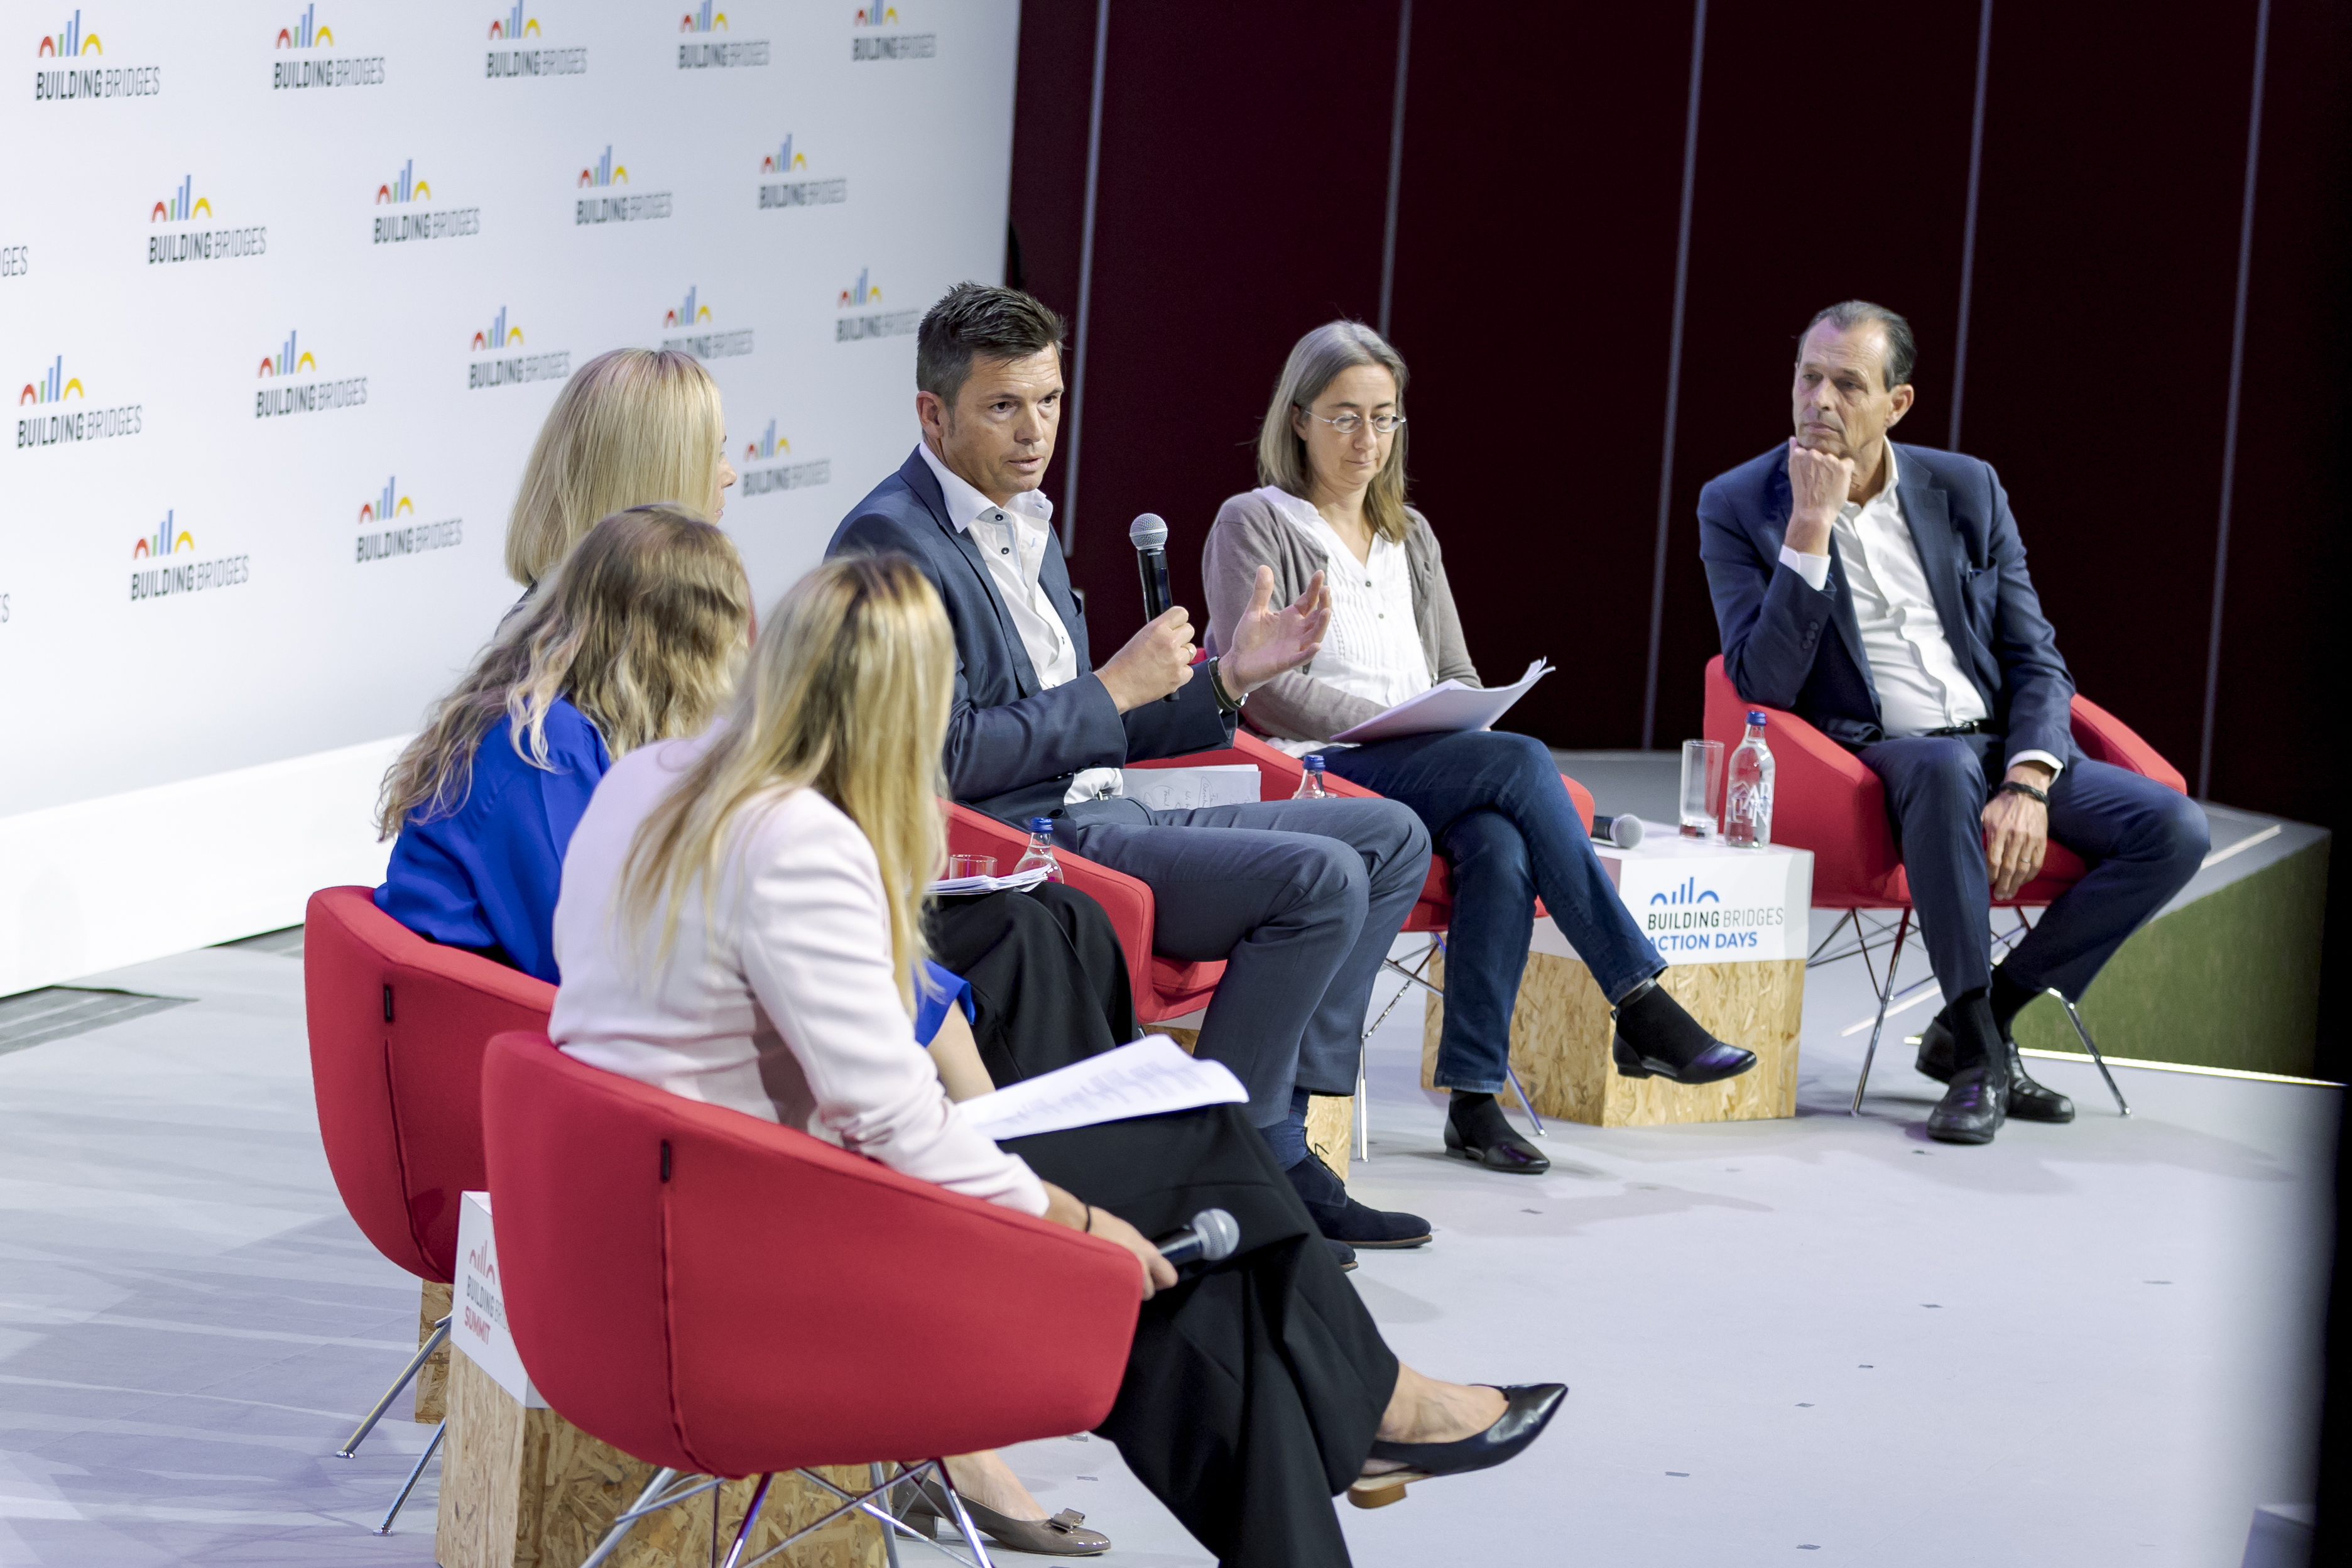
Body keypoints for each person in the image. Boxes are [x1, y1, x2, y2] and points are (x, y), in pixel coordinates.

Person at [547, 553, 1566, 1568]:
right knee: (1187, 1210)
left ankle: (1365, 1421)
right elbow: (892, 1126)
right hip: (761, 1235)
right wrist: (1081, 1226)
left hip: (663, 1204)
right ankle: (1376, 1408)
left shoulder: (662, 775)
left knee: (1190, 1220)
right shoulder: (801, 843)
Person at [378, 503, 1139, 1554]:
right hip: (550, 1123)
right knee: (966, 980)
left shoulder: (607, 747)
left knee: (1030, 932)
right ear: (684, 639)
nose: (748, 656)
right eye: (735, 629)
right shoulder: (559, 750)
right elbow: (595, 964)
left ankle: (1027, 1173)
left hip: (578, 1108)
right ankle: (1020, 1274)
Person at [829, 284, 1438, 1260]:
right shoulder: (889, 542)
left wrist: (1232, 676)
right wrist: (1109, 691)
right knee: (1321, 878)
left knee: (1392, 834)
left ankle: (1283, 1124)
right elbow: (936, 760)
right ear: (932, 415)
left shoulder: (1022, 518)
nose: (1036, 433)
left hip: (1114, 807)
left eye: (1051, 402)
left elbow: (1098, 723)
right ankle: (1232, 1165)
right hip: (1028, 846)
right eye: (1004, 407)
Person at [1202, 323, 1758, 1175]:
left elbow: (1456, 669)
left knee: (1499, 844)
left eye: (1385, 419)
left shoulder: (1410, 536)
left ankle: (1473, 1100)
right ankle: (1639, 1001)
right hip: (1317, 768)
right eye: (1346, 417)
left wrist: (1454, 713)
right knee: (1525, 764)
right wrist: (1390, 720)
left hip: (1417, 761)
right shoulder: (1255, 521)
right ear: (1301, 418)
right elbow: (1262, 685)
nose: (1368, 440)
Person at [1699, 300, 2208, 1144]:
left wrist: (2030, 776)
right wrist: (1810, 526)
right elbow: (1764, 685)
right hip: (1876, 758)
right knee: (1939, 772)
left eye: (1846, 385)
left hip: (2000, 744)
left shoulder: (1967, 488)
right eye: (1807, 378)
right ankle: (1981, 1058)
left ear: (1897, 404)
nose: (1819, 401)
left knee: (2174, 830)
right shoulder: (1740, 503)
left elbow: (2035, 654)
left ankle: (1977, 1022)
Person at [503, 347, 739, 591]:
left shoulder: (539, 623)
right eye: (711, 456)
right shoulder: (681, 618)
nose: (731, 475)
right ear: (648, 477)